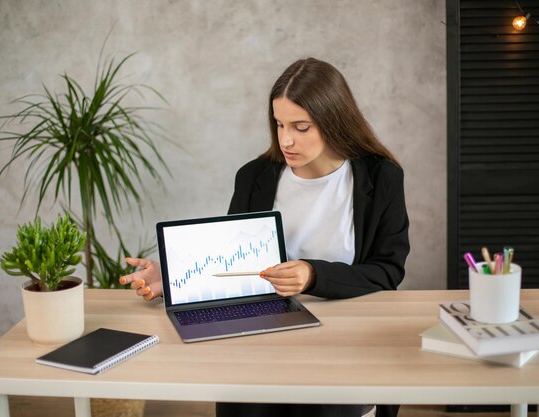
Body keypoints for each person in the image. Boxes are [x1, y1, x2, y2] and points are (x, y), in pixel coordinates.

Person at [120, 57, 410, 417]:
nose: (286, 140)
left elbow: (387, 271)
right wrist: (173, 279)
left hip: (344, 342)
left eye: (301, 127)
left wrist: (312, 275)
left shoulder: (380, 178)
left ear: (334, 122)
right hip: (263, 336)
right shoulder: (254, 177)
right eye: (279, 124)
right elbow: (232, 261)